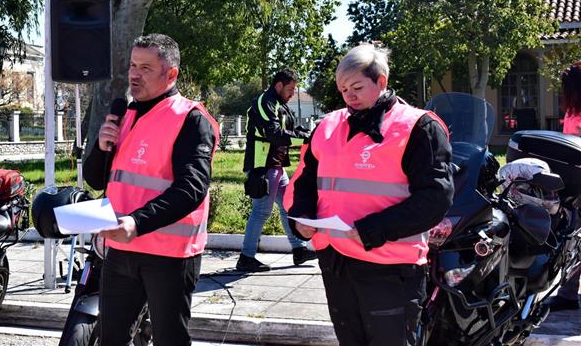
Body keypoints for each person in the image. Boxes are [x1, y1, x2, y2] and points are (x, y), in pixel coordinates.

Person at [288, 44, 454, 346]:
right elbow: (305, 180)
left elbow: (434, 200)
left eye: (357, 87)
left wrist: (370, 230)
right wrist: (302, 217)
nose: (349, 96)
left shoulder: (419, 127)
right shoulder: (327, 126)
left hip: (390, 269)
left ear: (381, 81)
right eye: (343, 90)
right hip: (336, 263)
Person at [83, 34, 218, 346]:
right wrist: (102, 148)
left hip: (168, 256)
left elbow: (192, 188)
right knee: (111, 337)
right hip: (120, 250)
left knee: (169, 339)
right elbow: (95, 178)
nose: (134, 74)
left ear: (170, 74)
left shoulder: (191, 118)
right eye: (132, 65)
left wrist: (137, 222)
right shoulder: (124, 115)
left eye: (145, 67)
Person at [236, 68, 317, 273]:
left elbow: (292, 130)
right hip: (262, 167)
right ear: (278, 85)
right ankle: (246, 257)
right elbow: (275, 134)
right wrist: (307, 138)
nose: (292, 94)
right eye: (290, 89)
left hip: (277, 166)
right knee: (261, 212)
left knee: (288, 207)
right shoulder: (264, 102)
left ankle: (299, 250)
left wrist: (310, 133)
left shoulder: (281, 105)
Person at [545, 60, 581, 311]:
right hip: (574, 185)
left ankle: (568, 294)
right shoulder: (571, 113)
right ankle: (568, 294)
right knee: (570, 237)